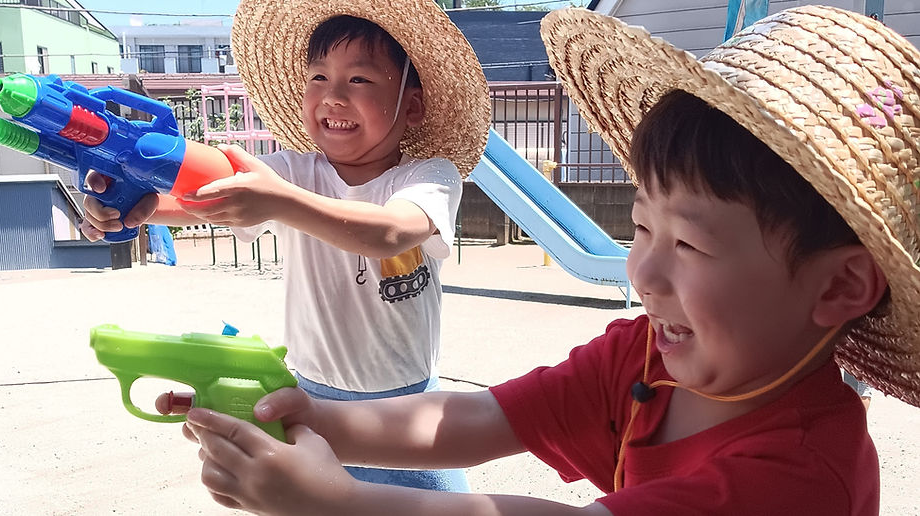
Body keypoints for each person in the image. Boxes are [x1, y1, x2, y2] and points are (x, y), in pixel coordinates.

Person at [162, 5, 920, 515]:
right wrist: (314, 417)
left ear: (840, 284)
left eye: (690, 244)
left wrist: (342, 503)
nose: (642, 273)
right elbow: (482, 414)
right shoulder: (645, 356)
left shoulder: (799, 473)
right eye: (642, 228)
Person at [81, 0, 490, 493]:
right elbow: (203, 197)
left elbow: (390, 233)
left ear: (412, 106)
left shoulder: (429, 177)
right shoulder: (290, 172)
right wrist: (137, 205)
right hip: (310, 398)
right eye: (318, 77)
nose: (333, 96)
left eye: (359, 79)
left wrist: (279, 200)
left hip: (407, 406)